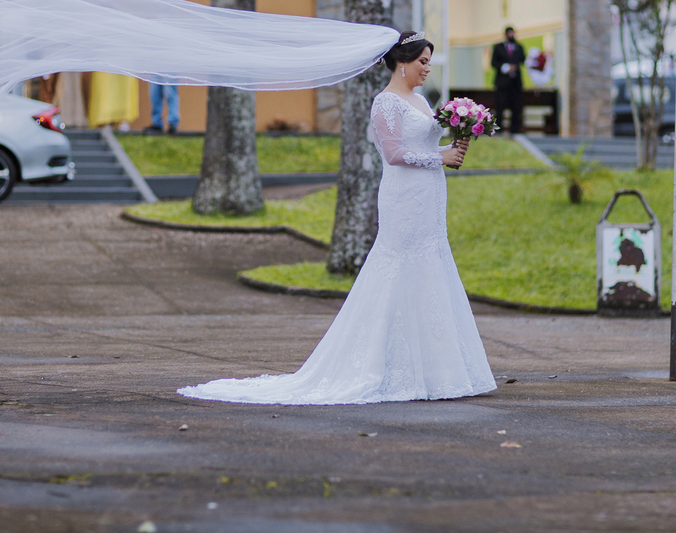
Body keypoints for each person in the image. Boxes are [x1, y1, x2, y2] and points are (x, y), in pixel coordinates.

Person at [179, 30, 496, 405]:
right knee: (398, 264)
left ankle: (439, 372)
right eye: (422, 62)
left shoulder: (422, 100)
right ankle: (385, 366)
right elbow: (394, 154)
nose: (427, 69)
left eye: (429, 62)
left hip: (429, 194)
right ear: (401, 62)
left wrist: (455, 143)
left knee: (430, 264)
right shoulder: (385, 104)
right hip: (402, 196)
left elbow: (424, 146)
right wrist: (439, 158)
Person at [491, 26, 526, 134]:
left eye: (513, 33)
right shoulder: (498, 47)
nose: (511, 35)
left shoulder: (518, 47)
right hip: (502, 83)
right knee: (500, 107)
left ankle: (515, 131)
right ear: (505, 34)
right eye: (509, 33)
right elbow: (494, 63)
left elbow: (523, 59)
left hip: (515, 83)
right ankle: (499, 130)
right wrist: (506, 67)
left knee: (515, 108)